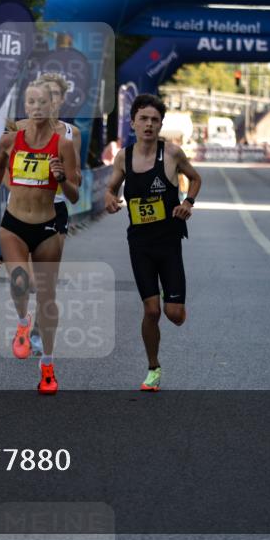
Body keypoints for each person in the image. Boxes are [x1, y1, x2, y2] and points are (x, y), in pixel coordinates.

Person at [0, 80, 80, 395]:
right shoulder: (10, 139)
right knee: (19, 281)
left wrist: (62, 178)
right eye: (33, 102)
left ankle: (48, 366)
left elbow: (74, 194)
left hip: (48, 223)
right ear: (26, 106)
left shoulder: (65, 142)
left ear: (54, 105)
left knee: (48, 297)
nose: (38, 107)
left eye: (44, 102)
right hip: (14, 221)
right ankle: (23, 323)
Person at [104, 94, 201, 392]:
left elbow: (195, 179)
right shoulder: (124, 156)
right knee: (151, 312)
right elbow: (111, 186)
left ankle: (169, 294)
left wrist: (188, 202)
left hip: (169, 242)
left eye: (154, 120)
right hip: (140, 244)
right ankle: (153, 368)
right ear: (132, 122)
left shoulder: (171, 153)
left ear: (160, 125)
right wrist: (109, 198)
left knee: (175, 316)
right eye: (143, 119)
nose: (148, 124)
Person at [14, 72, 82, 356]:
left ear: (62, 99)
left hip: (55, 209)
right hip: (23, 207)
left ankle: (40, 331)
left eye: (55, 95)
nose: (50, 100)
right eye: (46, 94)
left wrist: (62, 175)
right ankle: (24, 321)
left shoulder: (71, 133)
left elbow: (74, 176)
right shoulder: (19, 128)